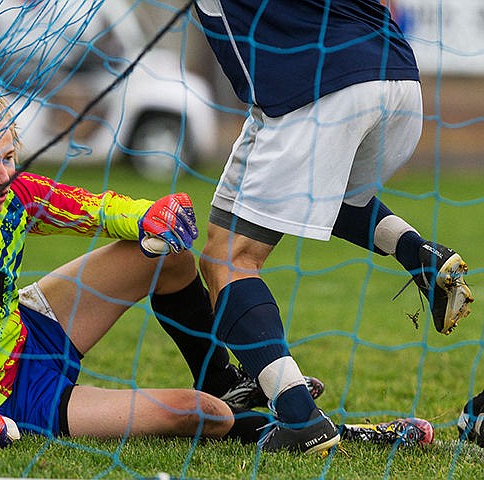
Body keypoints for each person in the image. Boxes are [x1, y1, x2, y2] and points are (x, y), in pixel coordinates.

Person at [0, 90, 284, 450]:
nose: (4, 175)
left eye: (9, 157)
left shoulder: (16, 194)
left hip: (31, 331)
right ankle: (273, 426)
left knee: (169, 254)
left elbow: (94, 209)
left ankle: (219, 379)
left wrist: (150, 215)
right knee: (199, 413)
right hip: (7, 401)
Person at [191, 0, 474, 454]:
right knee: (318, 196)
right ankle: (419, 253)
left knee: (231, 260)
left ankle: (300, 417)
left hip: (315, 86)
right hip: (396, 75)